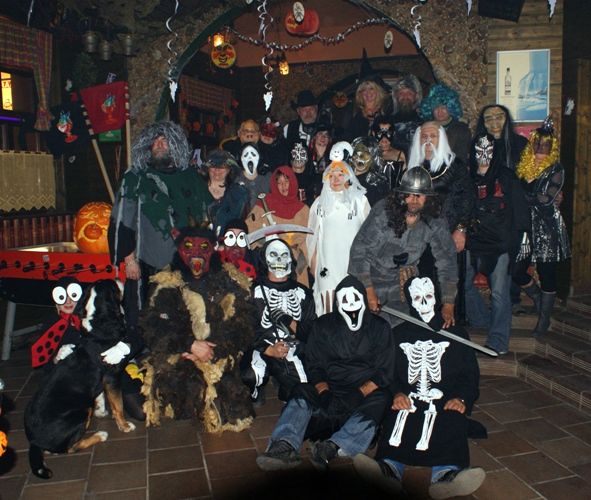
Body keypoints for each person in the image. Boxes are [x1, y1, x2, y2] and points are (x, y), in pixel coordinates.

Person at [353, 276, 485, 500]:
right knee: (397, 414)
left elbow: (469, 374)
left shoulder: (456, 334)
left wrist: (461, 398)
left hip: (445, 397)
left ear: (436, 298)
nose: (423, 302)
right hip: (409, 395)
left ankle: (446, 476)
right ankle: (387, 469)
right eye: (417, 297)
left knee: (452, 416)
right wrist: (397, 393)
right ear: (410, 301)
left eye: (428, 296)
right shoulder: (398, 334)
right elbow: (389, 373)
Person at [256, 275, 395, 471]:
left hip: (360, 401)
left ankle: (332, 447)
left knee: (383, 397)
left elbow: (384, 371)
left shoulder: (380, 328)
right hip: (328, 396)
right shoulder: (323, 326)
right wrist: (324, 391)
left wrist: (359, 393)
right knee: (301, 391)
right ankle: (284, 445)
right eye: (345, 299)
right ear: (337, 302)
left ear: (363, 300)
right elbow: (314, 366)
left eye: (355, 298)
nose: (351, 304)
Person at [140, 225, 257, 432]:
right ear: (179, 250)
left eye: (203, 247)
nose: (196, 253)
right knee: (161, 402)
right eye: (188, 247)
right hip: (178, 356)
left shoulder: (230, 280)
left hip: (217, 358)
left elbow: (244, 324)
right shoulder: (166, 283)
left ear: (213, 249)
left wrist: (212, 350)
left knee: (234, 413)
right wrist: (190, 345)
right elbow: (154, 326)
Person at [109, 121, 211, 328]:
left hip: (187, 262)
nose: (159, 144)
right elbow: (122, 220)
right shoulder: (135, 178)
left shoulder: (190, 177)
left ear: (175, 144)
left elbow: (205, 215)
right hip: (148, 264)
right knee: (146, 317)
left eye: (165, 140)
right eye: (155, 141)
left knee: (185, 315)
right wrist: (129, 260)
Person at [348, 167, 458, 329]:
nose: (414, 200)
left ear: (428, 197)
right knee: (374, 332)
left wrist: (448, 304)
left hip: (404, 285)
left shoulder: (435, 220)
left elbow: (447, 262)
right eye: (409, 194)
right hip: (373, 280)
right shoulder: (383, 212)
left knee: (403, 333)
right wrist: (368, 291)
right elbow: (359, 252)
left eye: (419, 195)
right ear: (401, 195)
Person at [464, 133, 530, 355]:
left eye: (488, 150)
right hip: (474, 240)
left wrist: (522, 240)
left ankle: (498, 340)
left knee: (499, 293)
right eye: (479, 150)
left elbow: (520, 211)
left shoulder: (506, 177)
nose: (484, 155)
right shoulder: (468, 177)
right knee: (463, 283)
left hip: (501, 242)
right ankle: (481, 319)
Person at [241, 239, 316, 405]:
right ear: (265, 260)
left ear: (291, 259)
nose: (280, 260)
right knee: (252, 374)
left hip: (292, 349)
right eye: (274, 255)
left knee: (303, 390)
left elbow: (311, 328)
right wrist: (268, 349)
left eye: (284, 255)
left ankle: (285, 387)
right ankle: (255, 390)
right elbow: (244, 327)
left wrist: (293, 325)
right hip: (262, 347)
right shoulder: (252, 291)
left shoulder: (303, 292)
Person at [514, 118, 571, 337]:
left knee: (547, 273)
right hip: (525, 225)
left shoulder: (556, 169)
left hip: (547, 227)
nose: (540, 149)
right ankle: (537, 297)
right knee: (516, 270)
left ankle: (544, 318)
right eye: (537, 144)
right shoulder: (523, 166)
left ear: (551, 147)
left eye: (545, 145)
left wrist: (521, 197)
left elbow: (546, 199)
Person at [475, 105, 530, 314]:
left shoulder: (521, 144)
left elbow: (530, 176)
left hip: (516, 208)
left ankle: (513, 298)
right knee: (490, 258)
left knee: (515, 256)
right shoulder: (480, 145)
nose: (494, 121)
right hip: (490, 212)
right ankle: (499, 297)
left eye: (499, 116)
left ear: (507, 119)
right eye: (488, 118)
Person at [307, 159, 370, 315]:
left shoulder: (360, 201)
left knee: (353, 306)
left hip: (352, 265)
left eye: (340, 175)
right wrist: (313, 265)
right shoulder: (319, 203)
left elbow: (370, 235)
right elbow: (312, 237)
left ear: (348, 176)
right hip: (327, 266)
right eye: (331, 176)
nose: (335, 180)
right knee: (328, 310)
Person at [246, 166, 310, 286]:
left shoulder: (304, 210)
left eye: (286, 181)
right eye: (279, 183)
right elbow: (250, 229)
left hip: (295, 261)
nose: (283, 186)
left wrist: (300, 263)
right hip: (271, 260)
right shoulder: (263, 204)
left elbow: (309, 240)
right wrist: (266, 241)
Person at [419, 84, 471, 164]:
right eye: (436, 107)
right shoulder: (425, 128)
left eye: (444, 108)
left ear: (451, 108)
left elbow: (462, 157)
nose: (440, 112)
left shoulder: (461, 129)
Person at [202, 149, 249, 237]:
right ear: (207, 169)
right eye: (213, 166)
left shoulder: (238, 194)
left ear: (229, 169)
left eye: (222, 167)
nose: (217, 170)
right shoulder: (197, 190)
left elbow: (241, 224)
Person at [474, 105, 528, 172]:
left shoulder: (521, 142)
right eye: (489, 119)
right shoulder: (477, 145)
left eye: (499, 117)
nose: (494, 123)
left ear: (507, 120)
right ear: (483, 123)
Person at [350, 136, 390, 206]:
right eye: (357, 153)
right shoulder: (342, 176)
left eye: (366, 154)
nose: (360, 158)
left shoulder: (377, 184)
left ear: (373, 158)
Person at [372, 115, 407, 190]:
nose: (384, 140)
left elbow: (406, 181)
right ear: (374, 134)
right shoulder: (368, 153)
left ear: (393, 134)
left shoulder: (401, 154)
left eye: (388, 134)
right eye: (380, 134)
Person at [391, 74, 423, 156]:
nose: (405, 96)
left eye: (409, 93)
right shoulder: (387, 121)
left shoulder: (424, 121)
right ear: (396, 96)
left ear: (416, 96)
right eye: (401, 93)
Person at [236, 141, 271, 210]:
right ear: (241, 159)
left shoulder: (268, 177)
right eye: (246, 155)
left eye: (253, 154)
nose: (250, 158)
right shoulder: (235, 180)